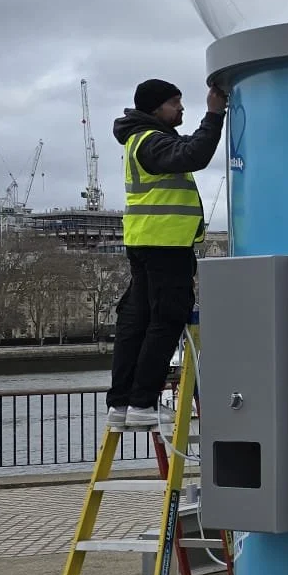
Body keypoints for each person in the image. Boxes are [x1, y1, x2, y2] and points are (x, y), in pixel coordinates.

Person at [105, 77, 227, 430]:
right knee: (167, 319)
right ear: (156, 108)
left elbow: (187, 147)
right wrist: (214, 114)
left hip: (146, 242)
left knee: (137, 320)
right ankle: (143, 403)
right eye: (176, 102)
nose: (182, 108)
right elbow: (196, 154)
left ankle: (121, 404)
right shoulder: (151, 142)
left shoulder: (141, 140)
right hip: (165, 244)